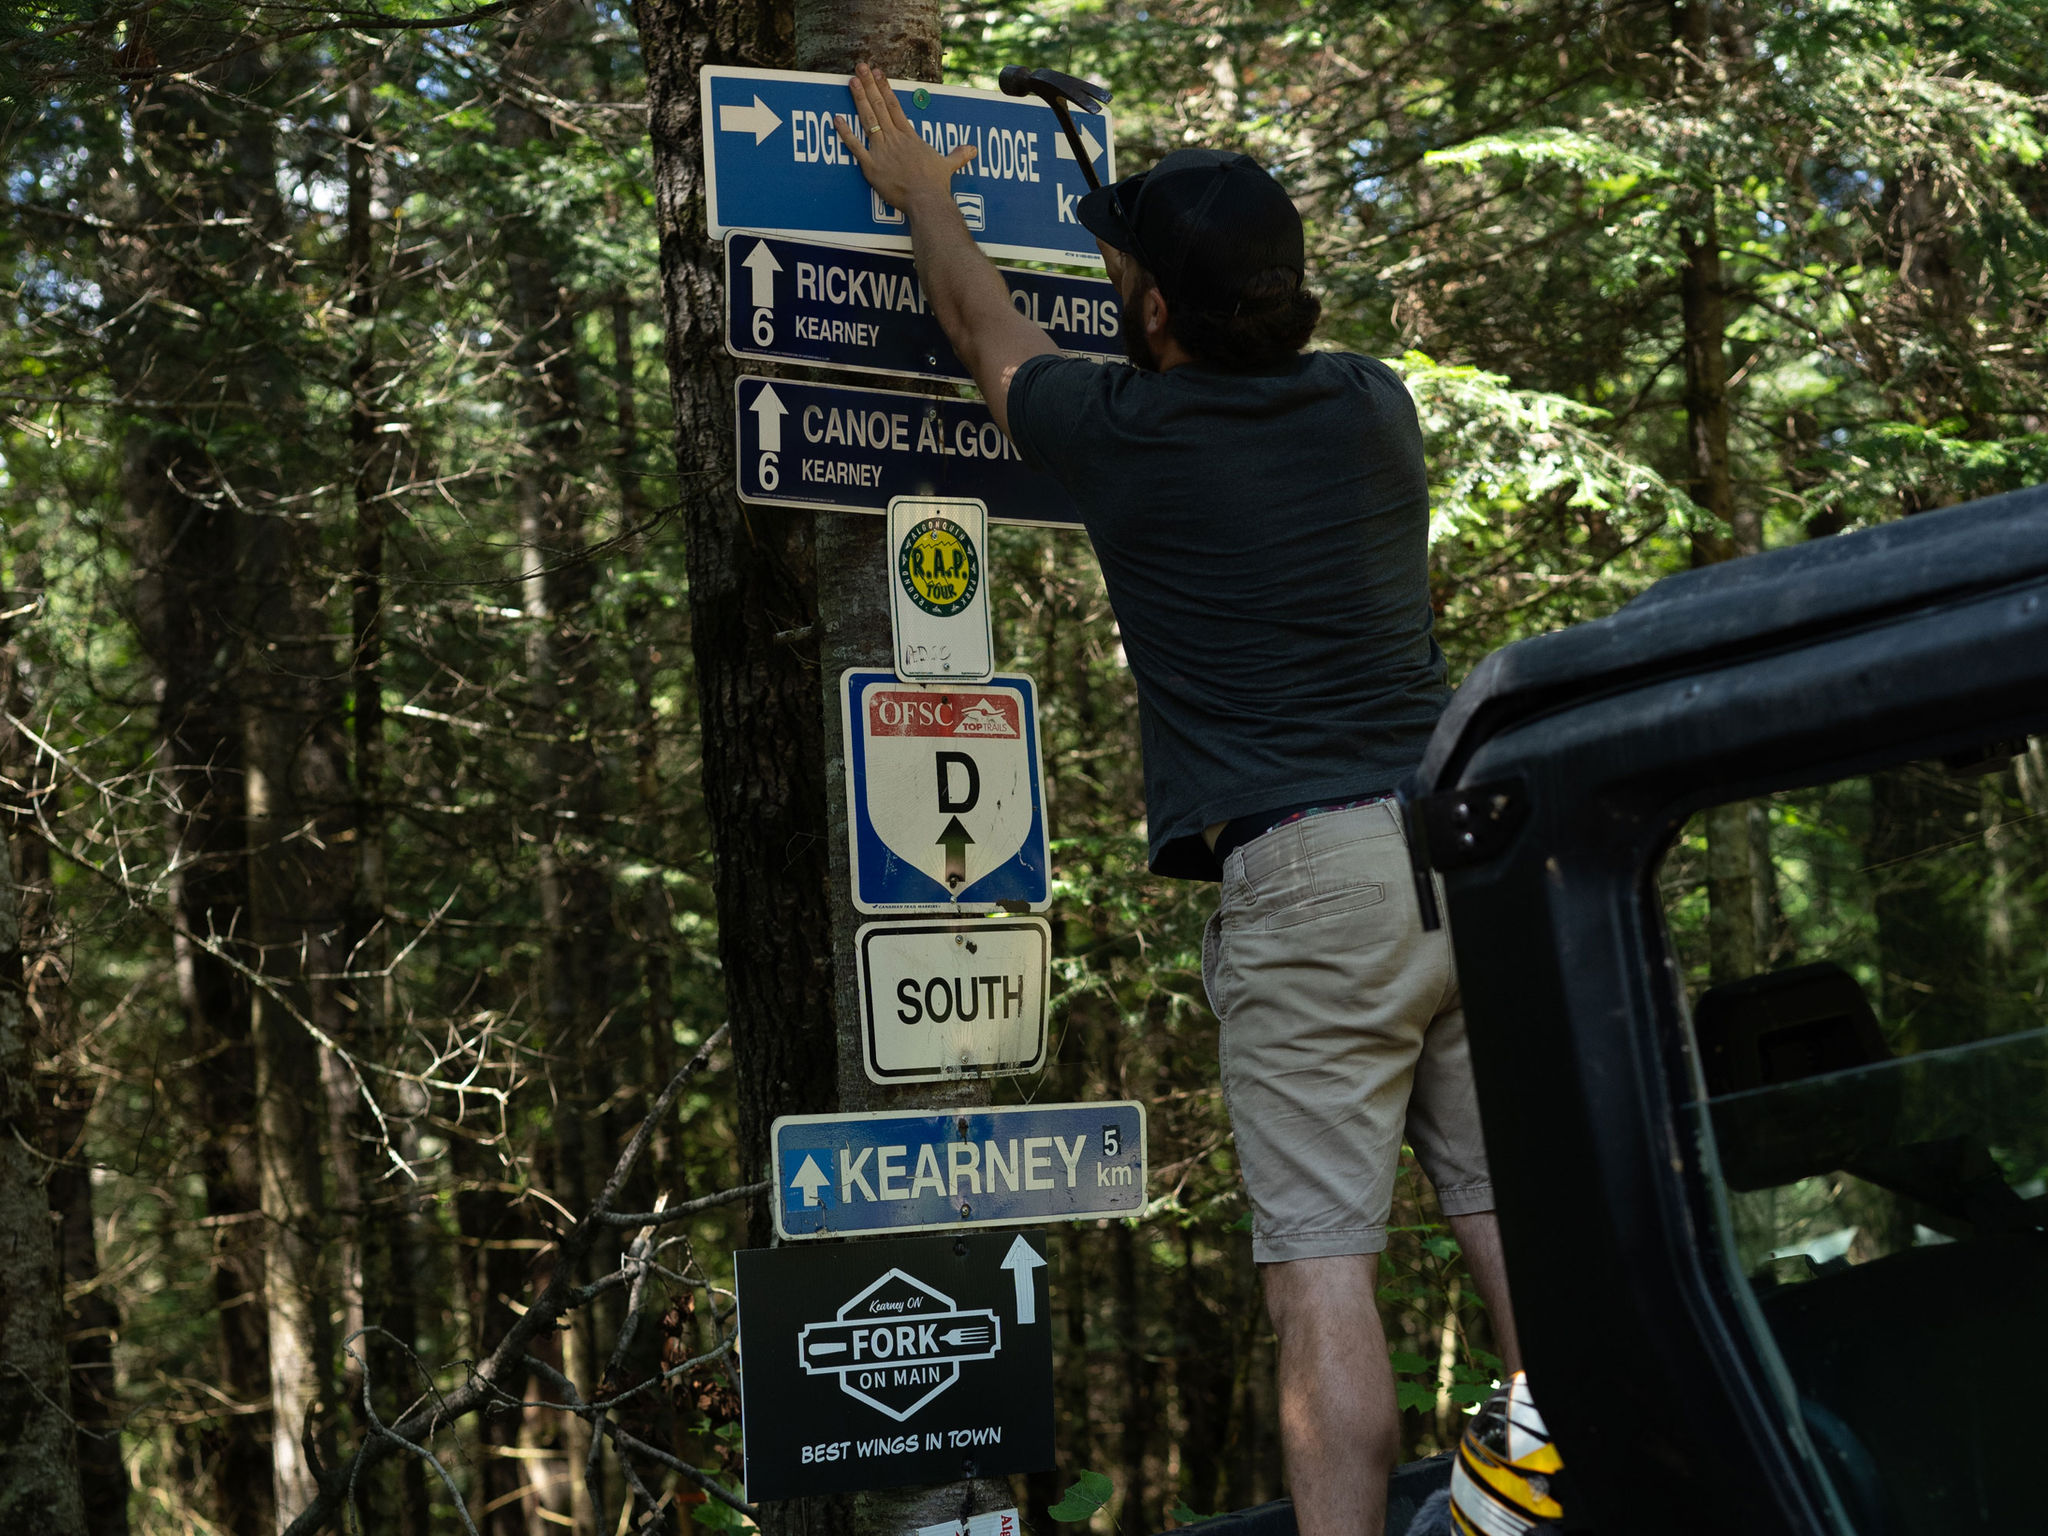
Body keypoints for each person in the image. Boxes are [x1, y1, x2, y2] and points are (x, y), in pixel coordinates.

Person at [833, 66, 1522, 1536]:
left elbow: (979, 327)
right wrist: (1158, 272)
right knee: (1505, 1212)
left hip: (1306, 886)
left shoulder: (1128, 438)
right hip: (1457, 855)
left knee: (1321, 1263)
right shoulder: (1372, 406)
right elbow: (1198, 342)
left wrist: (930, 197)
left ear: (1152, 317)